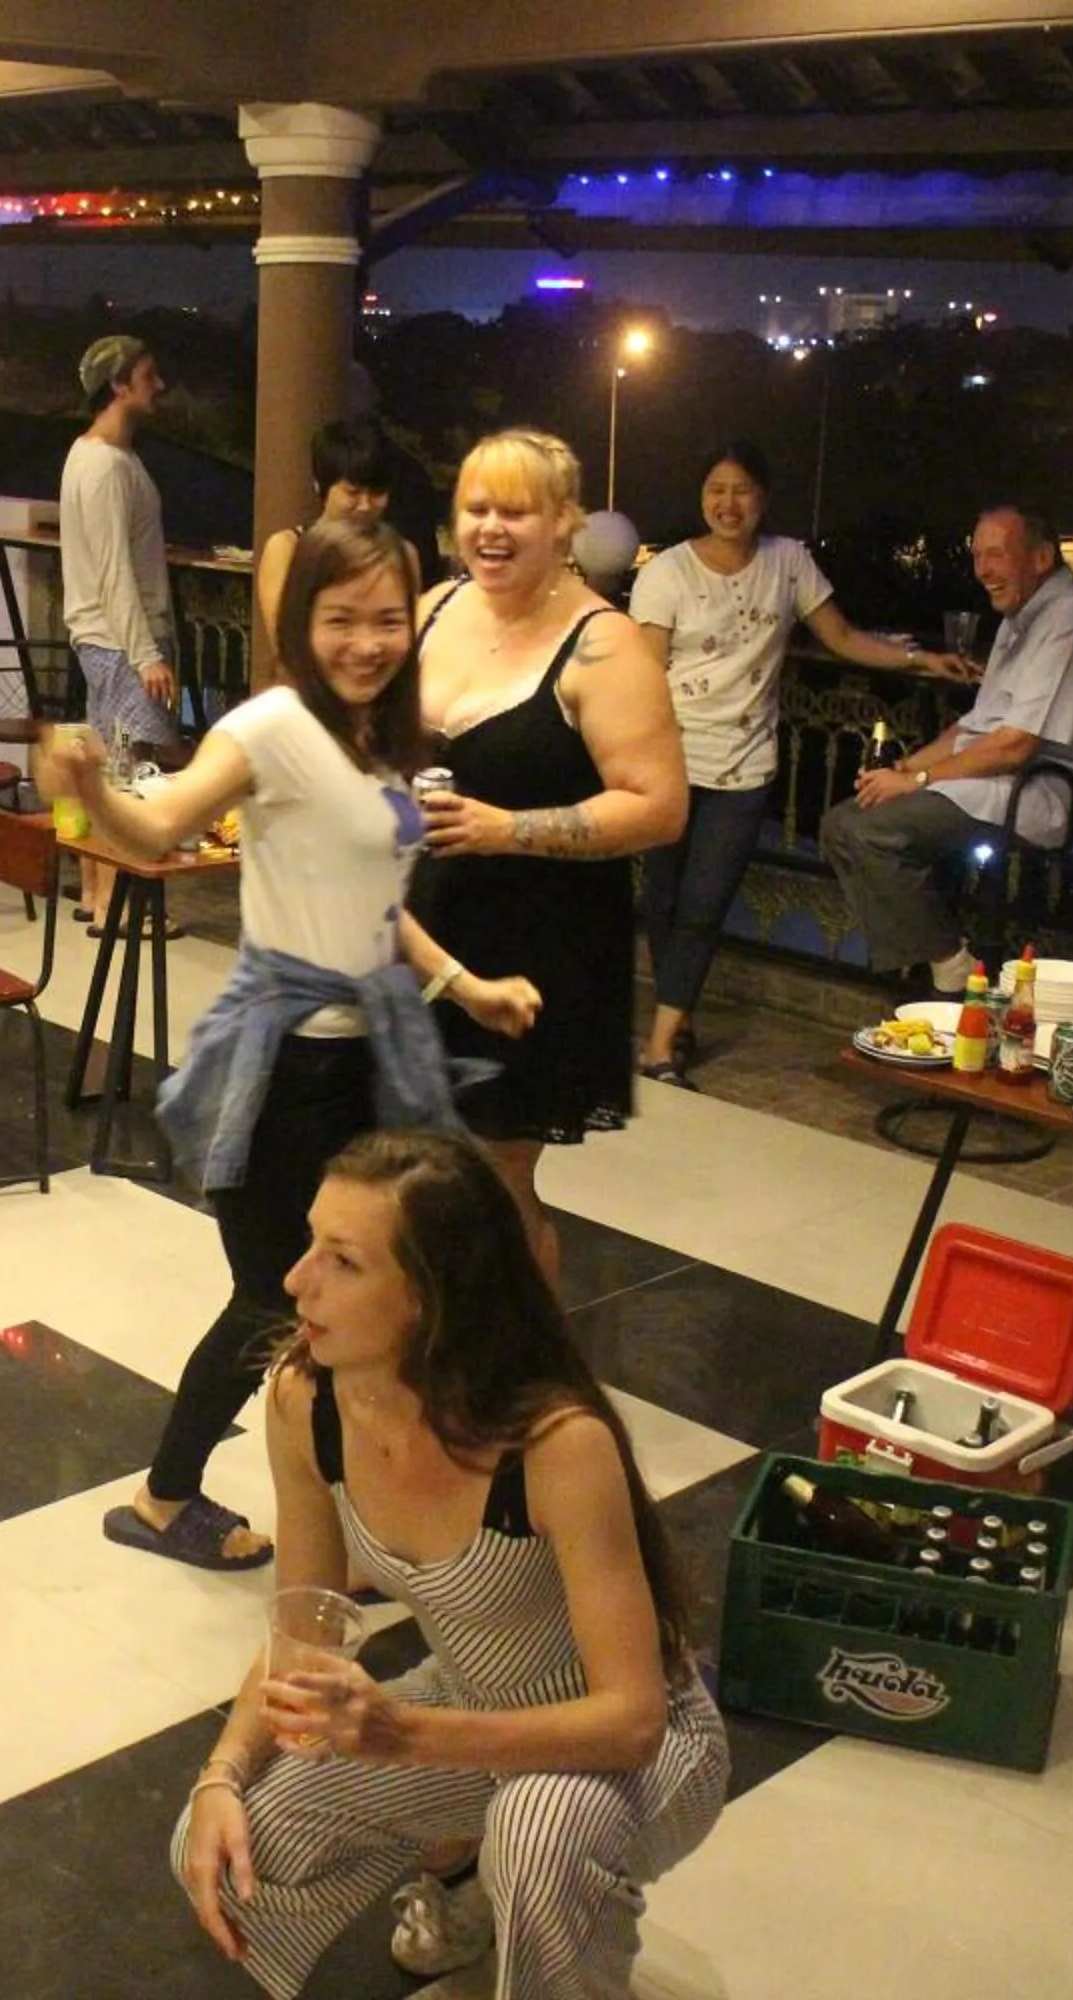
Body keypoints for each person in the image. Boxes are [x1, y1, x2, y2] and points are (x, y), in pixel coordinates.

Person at [60, 517, 538, 1572]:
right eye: (340, 619)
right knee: (283, 1300)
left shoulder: (381, 739)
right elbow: (163, 821)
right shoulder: (273, 722)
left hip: (368, 1060)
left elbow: (374, 904)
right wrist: (94, 786)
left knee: (370, 1301)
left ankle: (355, 1521)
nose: (367, 641)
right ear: (298, 623)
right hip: (285, 1069)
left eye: (385, 618)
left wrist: (467, 984)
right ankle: (163, 1496)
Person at [171, 1129, 729, 1997]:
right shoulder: (306, 1398)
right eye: (311, 1241)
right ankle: (480, 1885)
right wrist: (222, 1776)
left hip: (637, 1754)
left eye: (343, 1262)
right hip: (475, 1717)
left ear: (430, 1299)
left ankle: (537, 1911)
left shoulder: (552, 1443)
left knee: (540, 1828)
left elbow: (632, 1720)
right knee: (243, 1832)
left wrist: (404, 1735)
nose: (295, 1278)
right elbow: (306, 1631)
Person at [410, 431, 684, 1283]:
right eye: (475, 509)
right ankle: (436, 1358)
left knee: (497, 1176)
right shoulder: (436, 607)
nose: (490, 529)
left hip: (541, 943)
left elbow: (659, 807)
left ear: (564, 521)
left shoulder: (605, 645)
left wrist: (507, 827)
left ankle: (523, 1376)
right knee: (416, 1171)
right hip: (426, 929)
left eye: (515, 511)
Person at [627, 442, 933, 1086]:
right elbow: (641, 673)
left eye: (741, 489)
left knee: (705, 904)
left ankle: (657, 1050)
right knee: (665, 899)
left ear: (762, 498)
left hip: (743, 765)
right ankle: (676, 1023)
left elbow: (843, 638)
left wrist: (920, 660)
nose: (727, 503)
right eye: (715, 488)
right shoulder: (668, 573)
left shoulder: (788, 561)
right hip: (668, 761)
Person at [819, 503, 1073, 992]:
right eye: (976, 556)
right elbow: (973, 728)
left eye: (997, 555)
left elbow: (1015, 746)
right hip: (996, 778)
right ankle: (936, 964)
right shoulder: (1020, 617)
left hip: (1042, 792)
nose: (983, 570)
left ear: (1041, 557)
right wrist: (901, 768)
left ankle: (946, 967)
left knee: (871, 833)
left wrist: (918, 780)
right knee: (841, 824)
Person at [60, 333, 183, 931]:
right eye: (147, 374)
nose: (157, 385)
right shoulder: (106, 465)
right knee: (130, 775)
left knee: (111, 764)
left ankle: (96, 893)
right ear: (118, 384)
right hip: (119, 640)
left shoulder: (95, 455)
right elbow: (115, 572)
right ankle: (117, 904)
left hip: (100, 637)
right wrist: (146, 654)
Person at [252, 417, 422, 639]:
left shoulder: (403, 554)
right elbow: (285, 642)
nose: (365, 505)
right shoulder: (287, 548)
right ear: (319, 486)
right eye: (352, 492)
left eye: (377, 493)